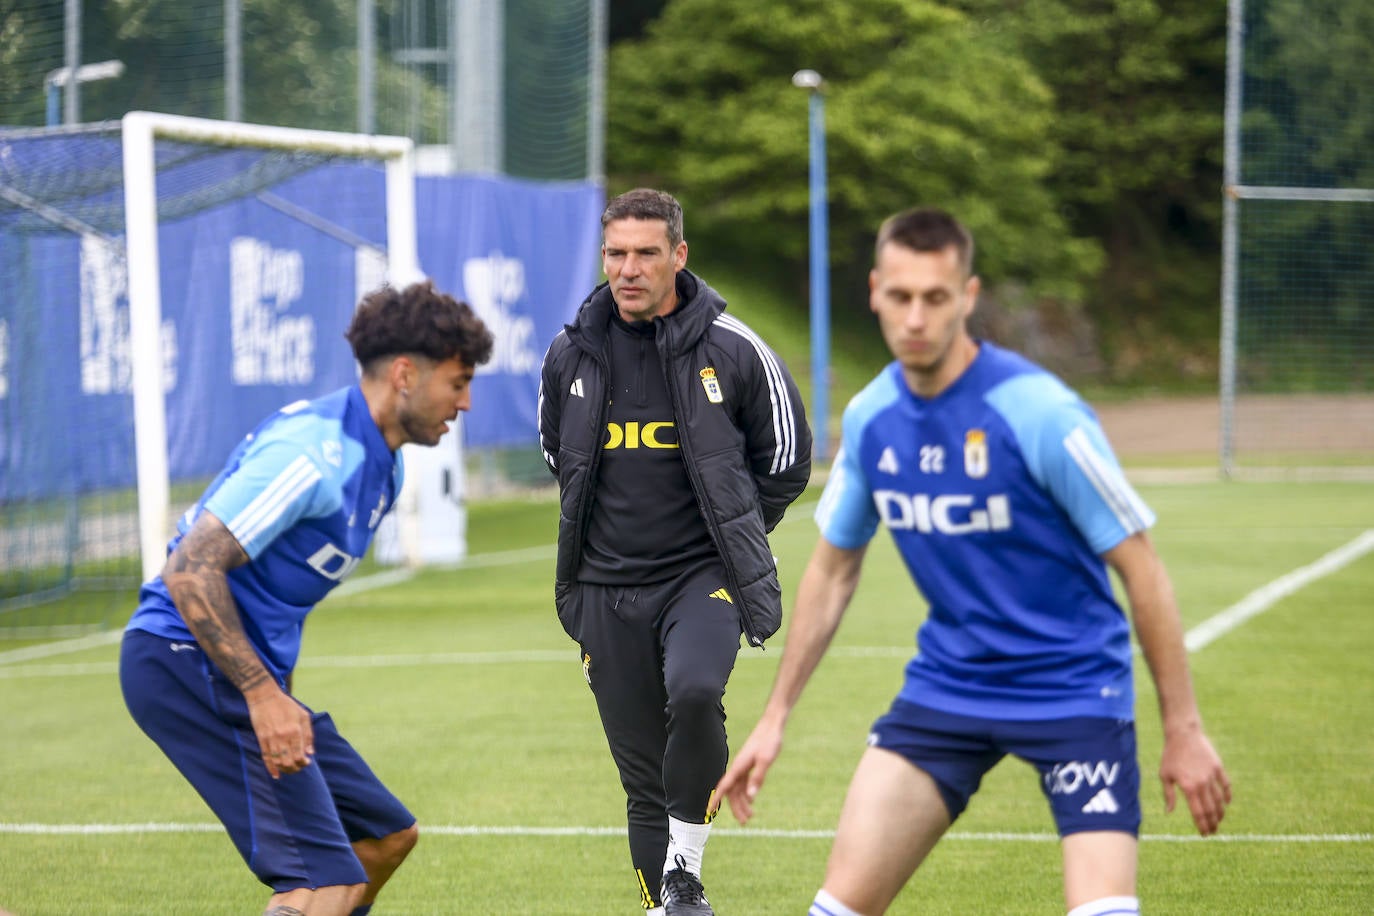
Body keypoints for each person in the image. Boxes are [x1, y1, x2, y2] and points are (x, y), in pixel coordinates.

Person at [714, 208, 1232, 916]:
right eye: (901, 297)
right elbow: (834, 571)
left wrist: (1185, 730)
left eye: (936, 297)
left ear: (968, 296)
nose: (916, 317)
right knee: (836, 909)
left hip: (1073, 689)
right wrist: (774, 718)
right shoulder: (871, 421)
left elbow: (1140, 566)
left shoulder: (1040, 413)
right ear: (874, 292)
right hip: (950, 689)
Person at [120, 280, 493, 916]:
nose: (465, 402)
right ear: (406, 374)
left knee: (384, 838)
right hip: (183, 658)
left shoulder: (383, 463)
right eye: (457, 382)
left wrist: (271, 690)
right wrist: (264, 697)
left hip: (238, 674)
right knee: (323, 881)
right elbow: (190, 567)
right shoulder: (316, 454)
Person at [538, 188, 812, 914]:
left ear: (679, 256)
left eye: (645, 253)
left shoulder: (734, 348)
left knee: (694, 693)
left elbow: (786, 458)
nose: (628, 269)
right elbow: (557, 453)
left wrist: (734, 535)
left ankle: (684, 870)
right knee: (640, 779)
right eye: (615, 253)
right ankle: (668, 907)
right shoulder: (572, 351)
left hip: (701, 579)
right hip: (603, 588)